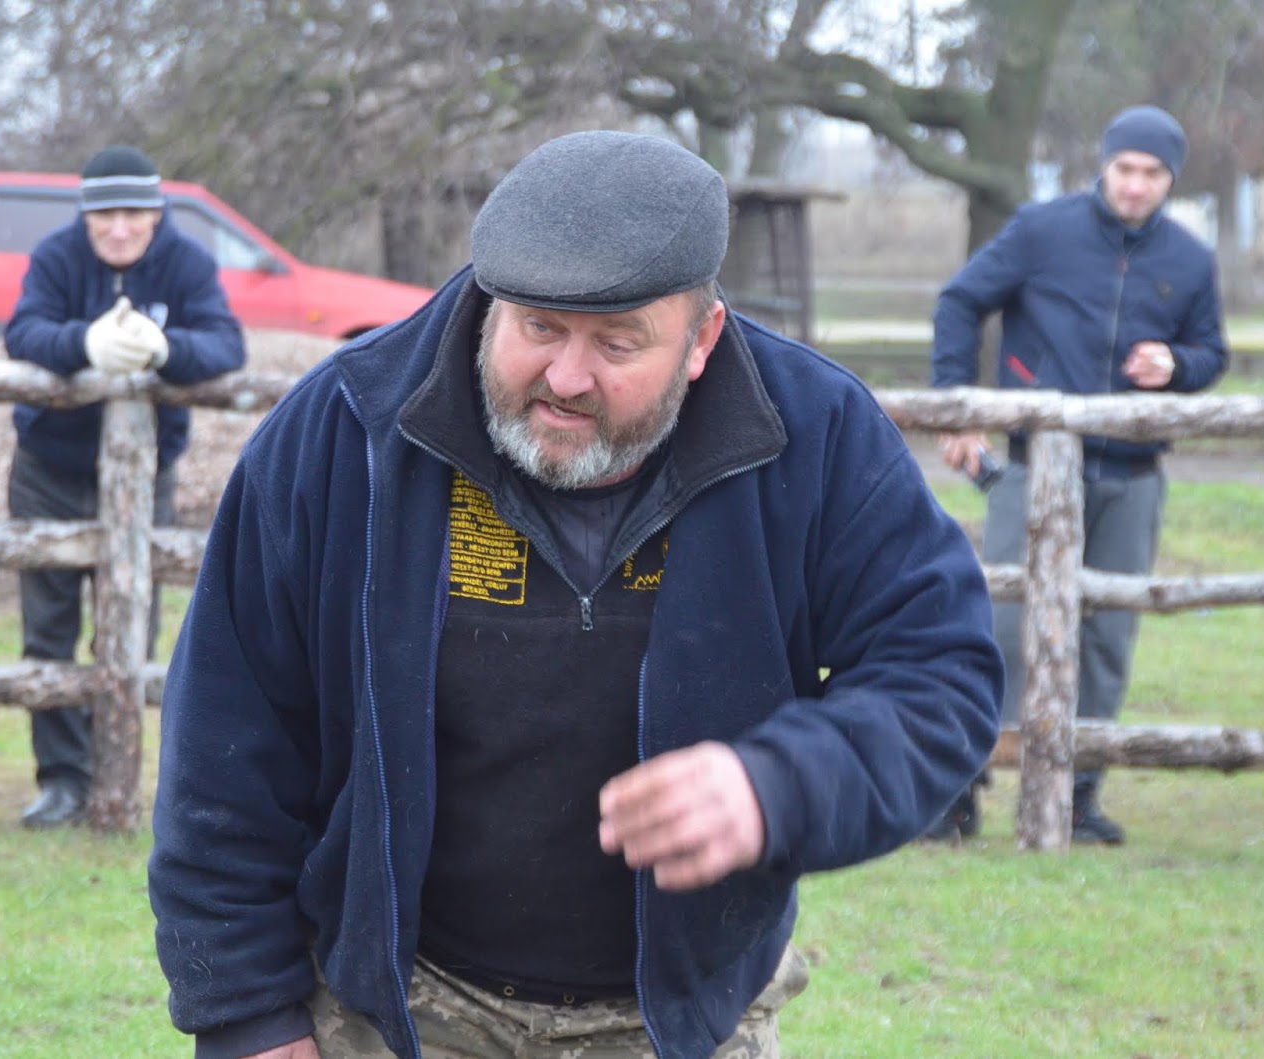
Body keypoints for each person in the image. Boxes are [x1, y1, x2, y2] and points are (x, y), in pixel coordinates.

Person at [148, 130, 1003, 1059]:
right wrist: (248, 1016)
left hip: (679, 1023)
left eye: (617, 342)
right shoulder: (349, 428)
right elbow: (227, 736)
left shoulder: (818, 436)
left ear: (702, 339)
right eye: (538, 328)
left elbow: (941, 680)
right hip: (394, 1008)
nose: (565, 377)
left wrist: (777, 784)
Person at [929, 105, 1229, 845]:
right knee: (999, 627)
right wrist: (958, 409)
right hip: (1032, 468)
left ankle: (1076, 794)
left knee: (1107, 636)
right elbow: (960, 300)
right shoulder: (1042, 230)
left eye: (1152, 173)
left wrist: (1177, 364)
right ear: (1104, 164)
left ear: (1171, 179)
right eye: (1125, 168)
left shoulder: (1192, 260)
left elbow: (1212, 354)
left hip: (1132, 476)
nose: (1135, 184)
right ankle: (956, 790)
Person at [3, 145, 245, 828]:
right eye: (104, 215)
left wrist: (167, 350)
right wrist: (83, 344)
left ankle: (128, 775)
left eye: (132, 214)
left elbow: (226, 345)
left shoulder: (187, 262)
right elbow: (23, 332)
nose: (118, 229)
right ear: (84, 216)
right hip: (48, 469)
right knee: (48, 629)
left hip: (146, 474)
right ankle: (61, 779)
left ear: (155, 212)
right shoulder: (55, 257)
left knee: (135, 627)